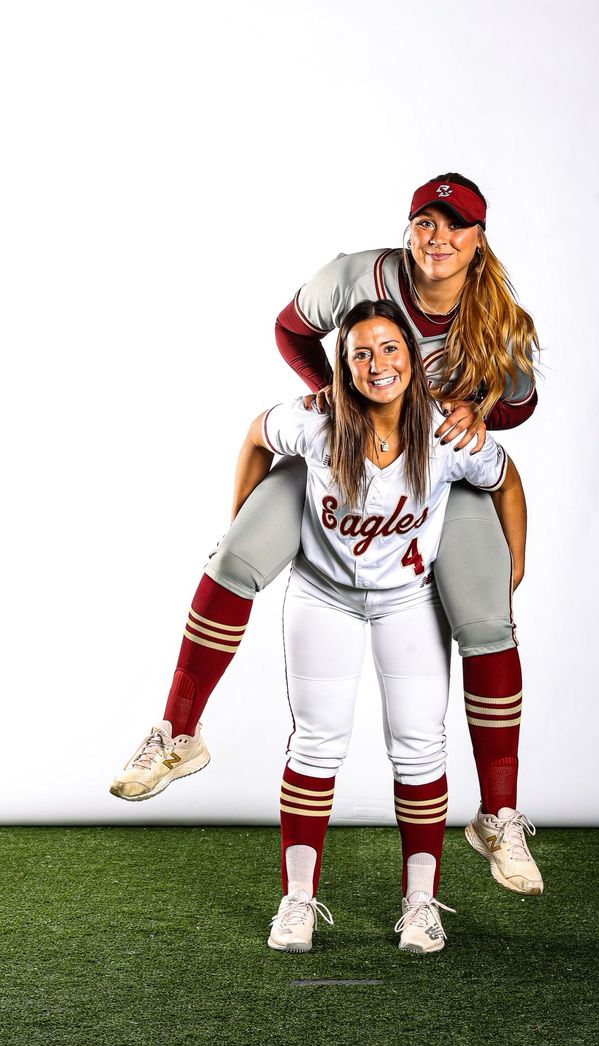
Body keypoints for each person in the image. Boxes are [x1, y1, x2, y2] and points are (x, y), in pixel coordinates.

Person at [110, 172, 543, 898]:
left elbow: (520, 411)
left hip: (432, 464)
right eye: (425, 223)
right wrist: (335, 391)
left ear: (479, 240)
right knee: (235, 556)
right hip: (345, 448)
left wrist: (472, 409)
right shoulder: (359, 277)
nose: (438, 239)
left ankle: (499, 814)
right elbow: (288, 330)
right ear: (409, 228)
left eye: (456, 226)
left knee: (489, 618)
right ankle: (179, 732)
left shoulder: (496, 315)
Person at [236, 300, 525, 952]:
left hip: (409, 600)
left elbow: (507, 482)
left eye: (390, 349)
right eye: (361, 352)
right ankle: (297, 901)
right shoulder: (317, 422)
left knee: (420, 746)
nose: (377, 363)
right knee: (315, 744)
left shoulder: (447, 433)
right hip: (324, 595)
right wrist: (240, 526)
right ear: (343, 364)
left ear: (413, 360)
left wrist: (513, 568)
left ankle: (421, 905)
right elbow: (255, 435)